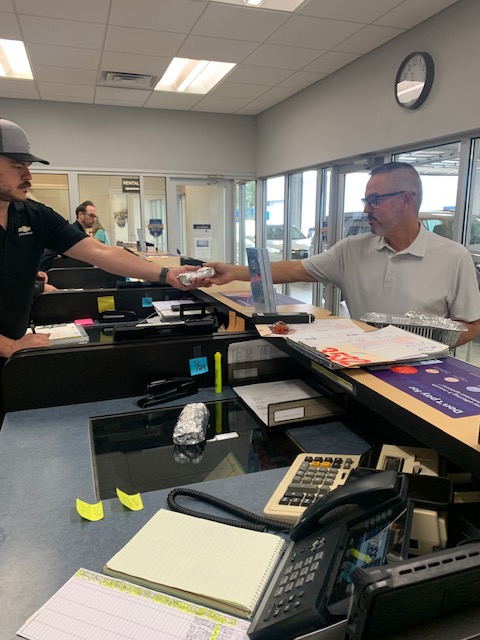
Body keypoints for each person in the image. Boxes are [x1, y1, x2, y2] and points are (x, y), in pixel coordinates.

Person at [204, 162, 480, 347]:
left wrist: (420, 346)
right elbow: (296, 269)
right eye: (366, 200)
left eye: (375, 200)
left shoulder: (453, 257)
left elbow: (472, 324)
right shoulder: (352, 249)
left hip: (423, 373)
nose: (366, 209)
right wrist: (233, 272)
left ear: (406, 200)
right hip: (364, 367)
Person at [0, 118, 206, 363]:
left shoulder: (34, 215)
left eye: (27, 166)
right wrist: (9, 346)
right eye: (17, 166)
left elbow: (101, 252)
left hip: (15, 350)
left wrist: (167, 274)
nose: (28, 175)